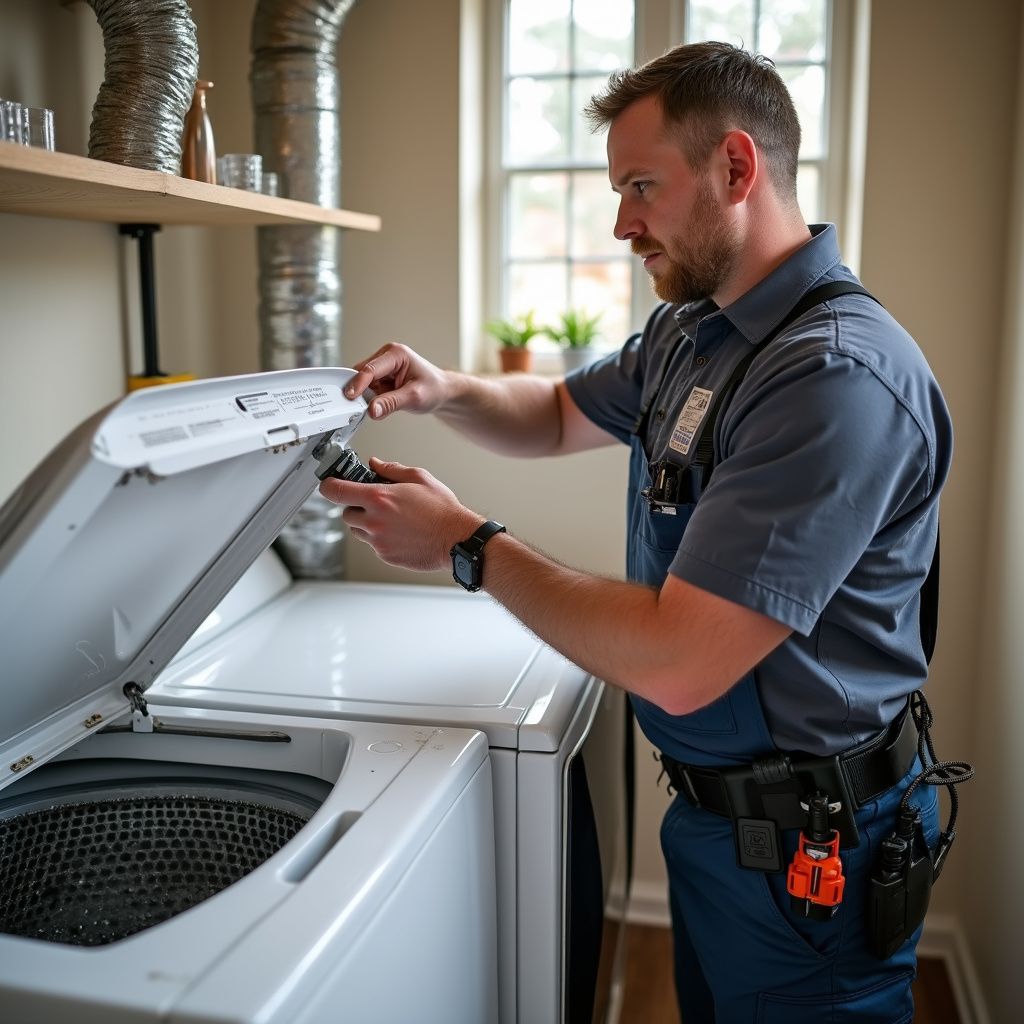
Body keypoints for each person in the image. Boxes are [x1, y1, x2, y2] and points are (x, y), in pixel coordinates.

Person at [319, 41, 952, 1023]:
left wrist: (467, 544)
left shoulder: (832, 378)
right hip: (718, 826)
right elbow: (556, 411)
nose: (620, 222)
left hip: (813, 849)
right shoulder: (692, 328)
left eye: (640, 187)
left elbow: (677, 660)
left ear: (735, 168)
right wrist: (444, 389)